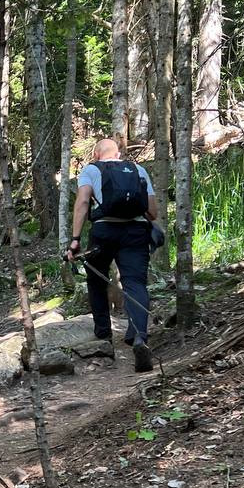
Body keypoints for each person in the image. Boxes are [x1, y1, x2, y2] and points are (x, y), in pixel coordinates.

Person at [65, 137, 159, 372]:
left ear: (96, 154)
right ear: (118, 154)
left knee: (96, 279)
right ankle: (139, 338)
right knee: (135, 283)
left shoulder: (91, 169)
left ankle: (104, 335)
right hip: (136, 231)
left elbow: (83, 201)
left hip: (104, 231)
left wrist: (75, 240)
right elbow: (153, 212)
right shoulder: (138, 169)